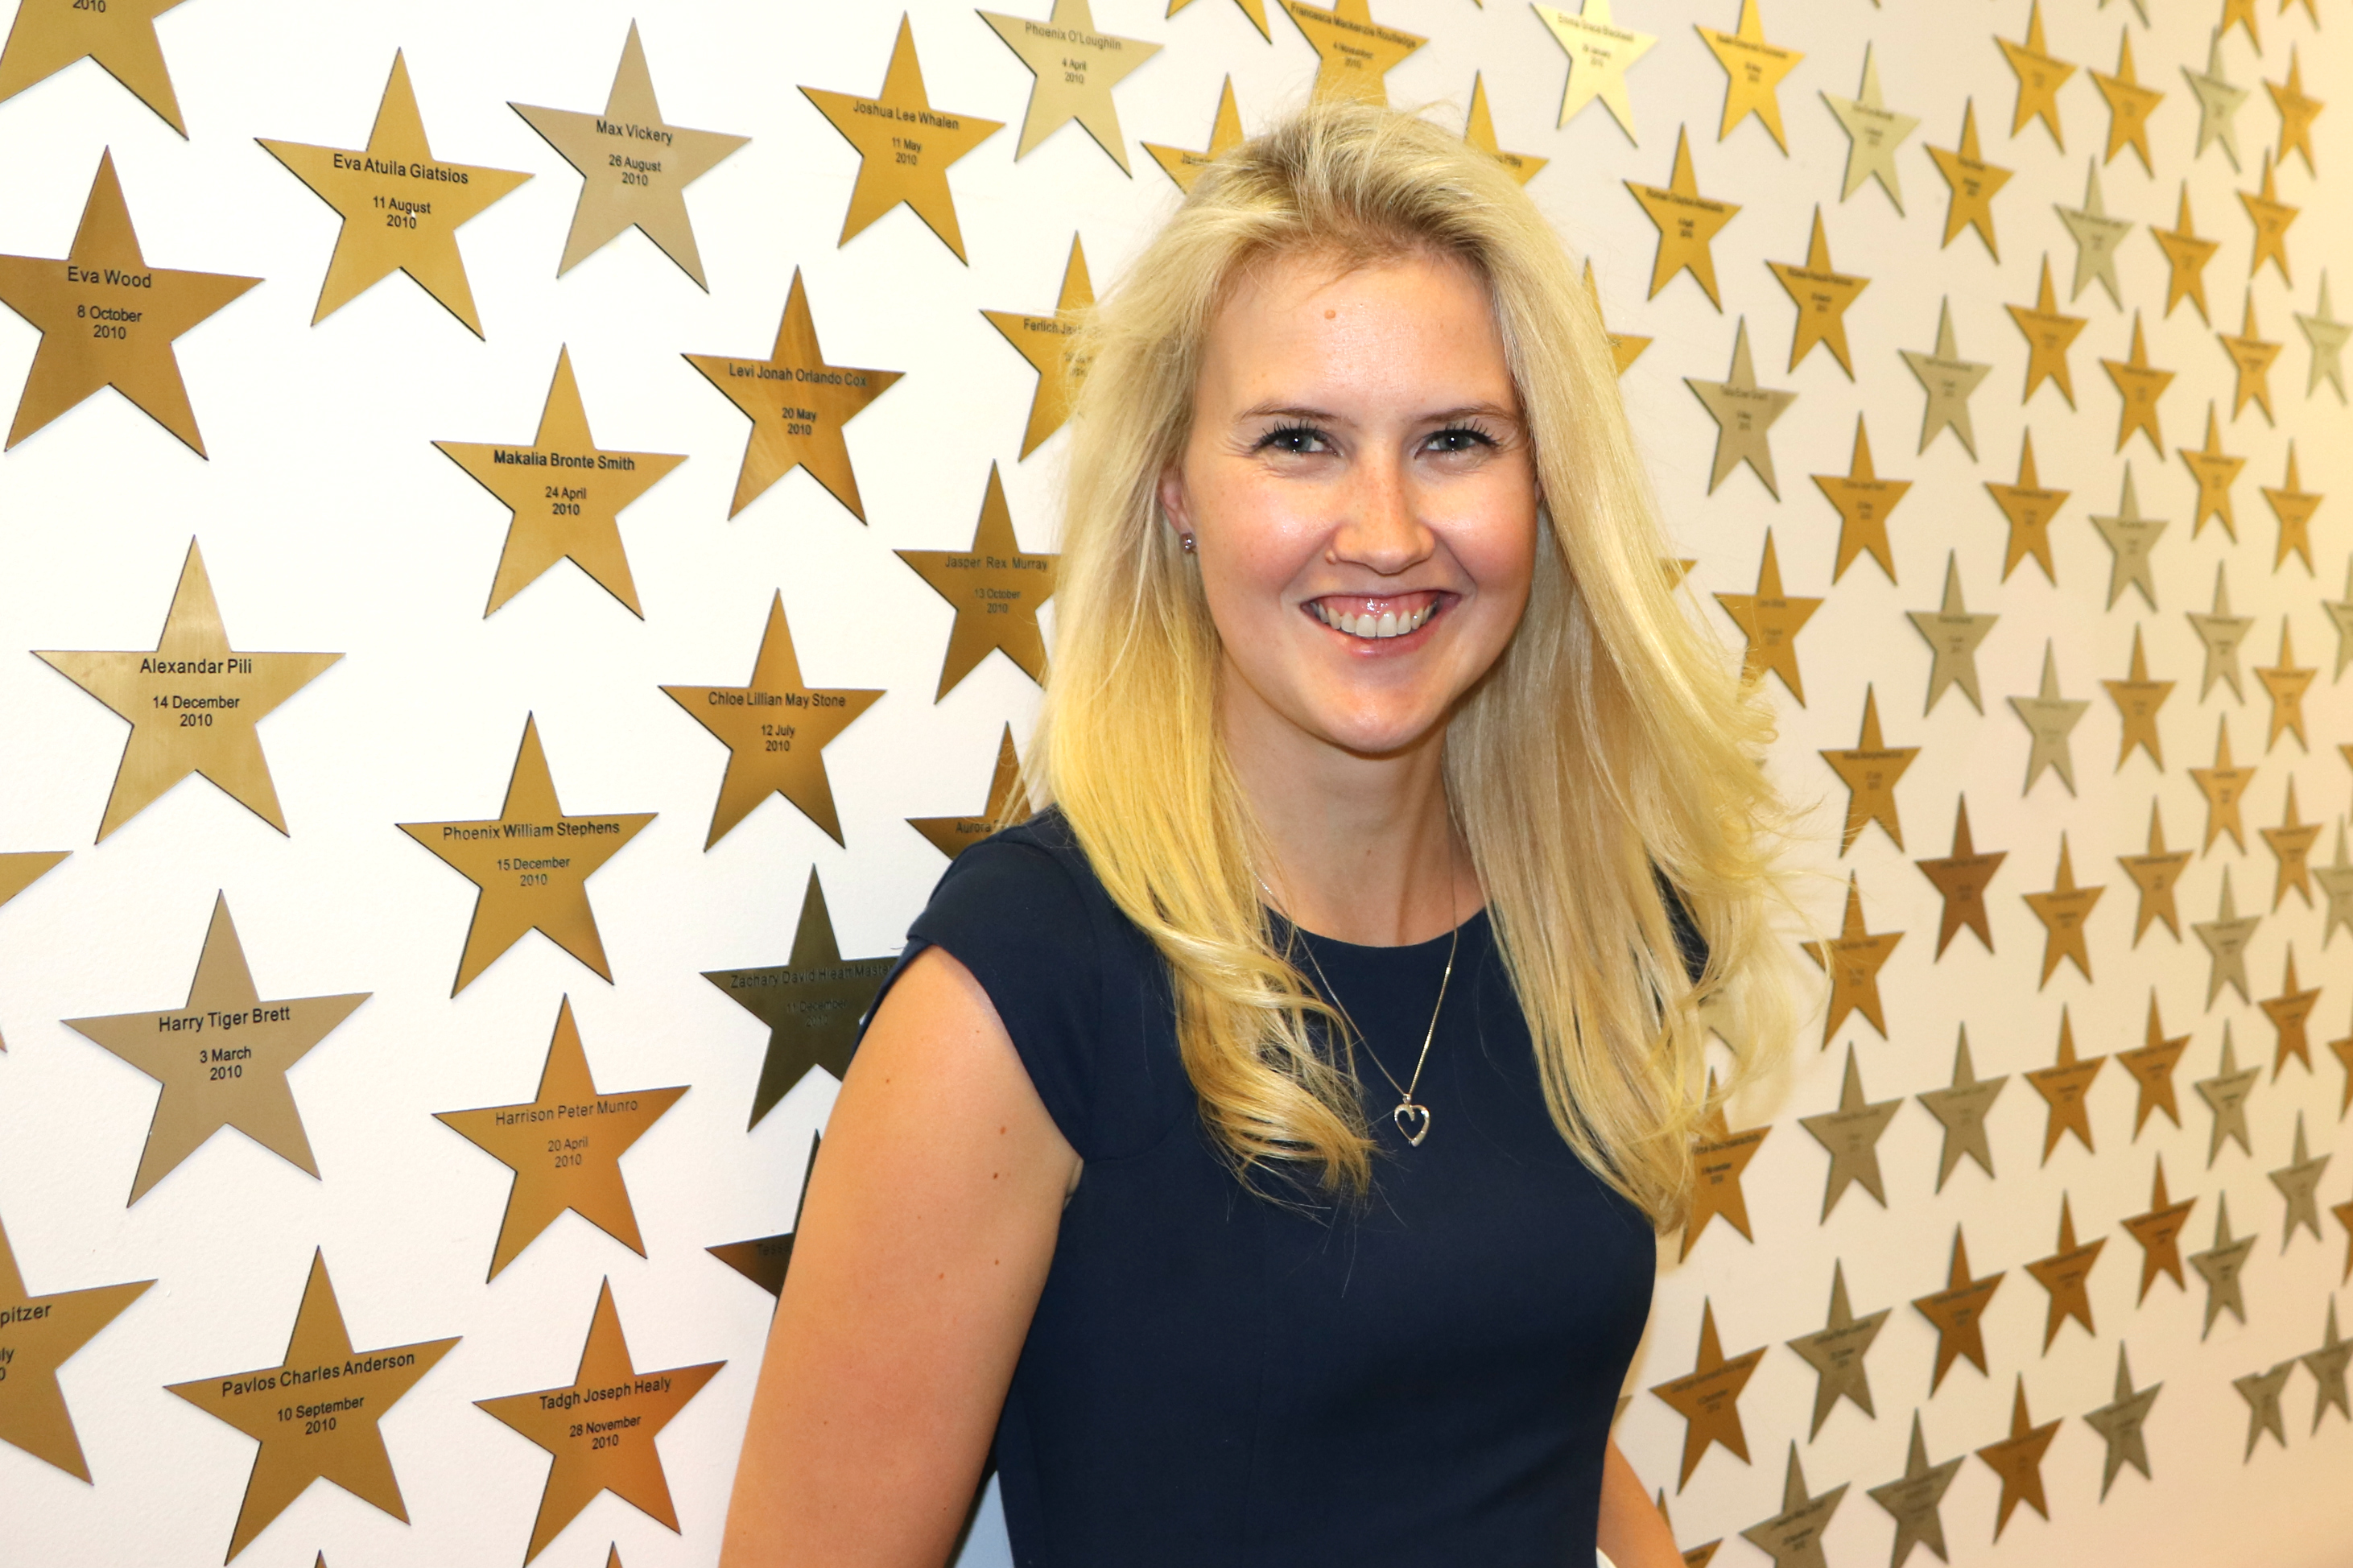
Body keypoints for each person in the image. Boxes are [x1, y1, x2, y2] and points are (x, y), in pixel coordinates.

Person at [720, 99, 1794, 1568]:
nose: (1387, 529)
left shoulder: (1593, 925)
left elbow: (1509, 1403)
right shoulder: (1031, 985)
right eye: (1299, 440)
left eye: (1457, 441)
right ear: (1176, 489)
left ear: (1544, 491)